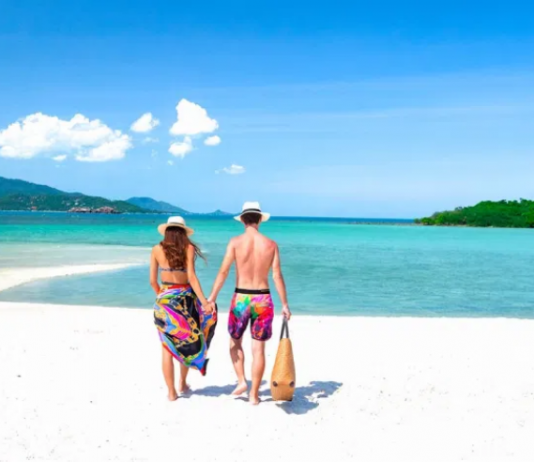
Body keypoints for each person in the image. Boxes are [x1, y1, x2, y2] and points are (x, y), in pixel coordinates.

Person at [208, 201, 291, 405]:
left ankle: (241, 381)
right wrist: (285, 304)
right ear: (260, 220)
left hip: (241, 298)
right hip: (263, 299)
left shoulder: (235, 242)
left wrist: (212, 297)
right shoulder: (271, 244)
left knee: (235, 342)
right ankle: (254, 395)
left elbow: (223, 271)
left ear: (243, 220)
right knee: (259, 349)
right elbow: (277, 276)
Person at [150, 216, 217, 401]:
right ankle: (182, 382)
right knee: (185, 343)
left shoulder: (156, 249)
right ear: (183, 232)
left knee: (167, 348)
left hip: (163, 301)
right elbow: (192, 278)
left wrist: (163, 298)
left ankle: (171, 392)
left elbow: (152, 281)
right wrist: (204, 303)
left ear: (167, 231)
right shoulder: (188, 248)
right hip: (185, 302)